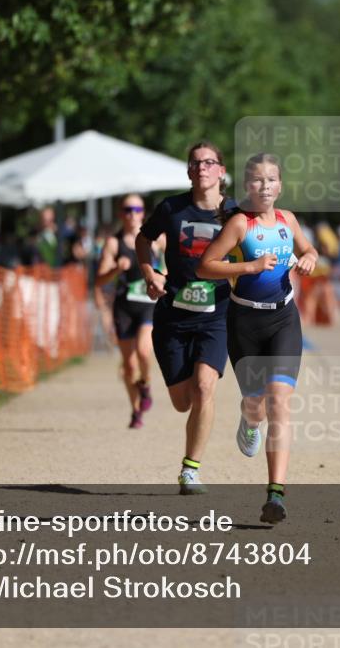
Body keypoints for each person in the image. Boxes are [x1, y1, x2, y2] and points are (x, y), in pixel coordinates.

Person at [197, 153, 318, 525]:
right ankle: (249, 421)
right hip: (244, 322)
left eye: (271, 180)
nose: (265, 186)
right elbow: (205, 266)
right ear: (247, 186)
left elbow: (308, 249)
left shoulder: (287, 220)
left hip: (283, 319)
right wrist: (250, 266)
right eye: (257, 180)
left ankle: (275, 495)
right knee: (257, 405)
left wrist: (310, 258)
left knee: (279, 400)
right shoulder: (239, 224)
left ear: (280, 185)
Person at [136, 141, 238, 495]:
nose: (202, 168)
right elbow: (143, 239)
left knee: (204, 387)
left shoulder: (236, 212)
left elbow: (259, 241)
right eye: (195, 163)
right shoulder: (171, 208)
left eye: (209, 162)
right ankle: (191, 414)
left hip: (217, 315)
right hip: (173, 316)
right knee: (183, 402)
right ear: (188, 171)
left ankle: (190, 470)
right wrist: (150, 273)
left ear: (221, 171)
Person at [95, 195, 164, 429]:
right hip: (124, 307)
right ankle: (136, 411)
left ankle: (145, 384)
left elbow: (175, 262)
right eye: (127, 209)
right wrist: (116, 268)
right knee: (129, 365)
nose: (132, 214)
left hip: (148, 304)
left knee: (144, 351)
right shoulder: (114, 243)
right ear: (120, 213)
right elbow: (99, 280)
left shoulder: (158, 239)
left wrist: (164, 274)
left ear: (143, 213)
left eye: (136, 209)